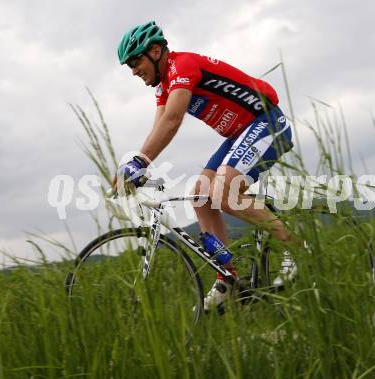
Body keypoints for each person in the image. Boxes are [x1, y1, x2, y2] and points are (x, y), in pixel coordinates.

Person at [115, 21, 297, 311]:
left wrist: (141, 162)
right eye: (130, 67)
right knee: (200, 195)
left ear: (155, 50)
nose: (134, 70)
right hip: (241, 133)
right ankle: (229, 279)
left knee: (224, 192)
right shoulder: (164, 87)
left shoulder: (183, 66)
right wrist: (138, 165)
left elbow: (173, 120)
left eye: (136, 61)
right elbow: (160, 126)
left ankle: (294, 247)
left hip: (266, 122)